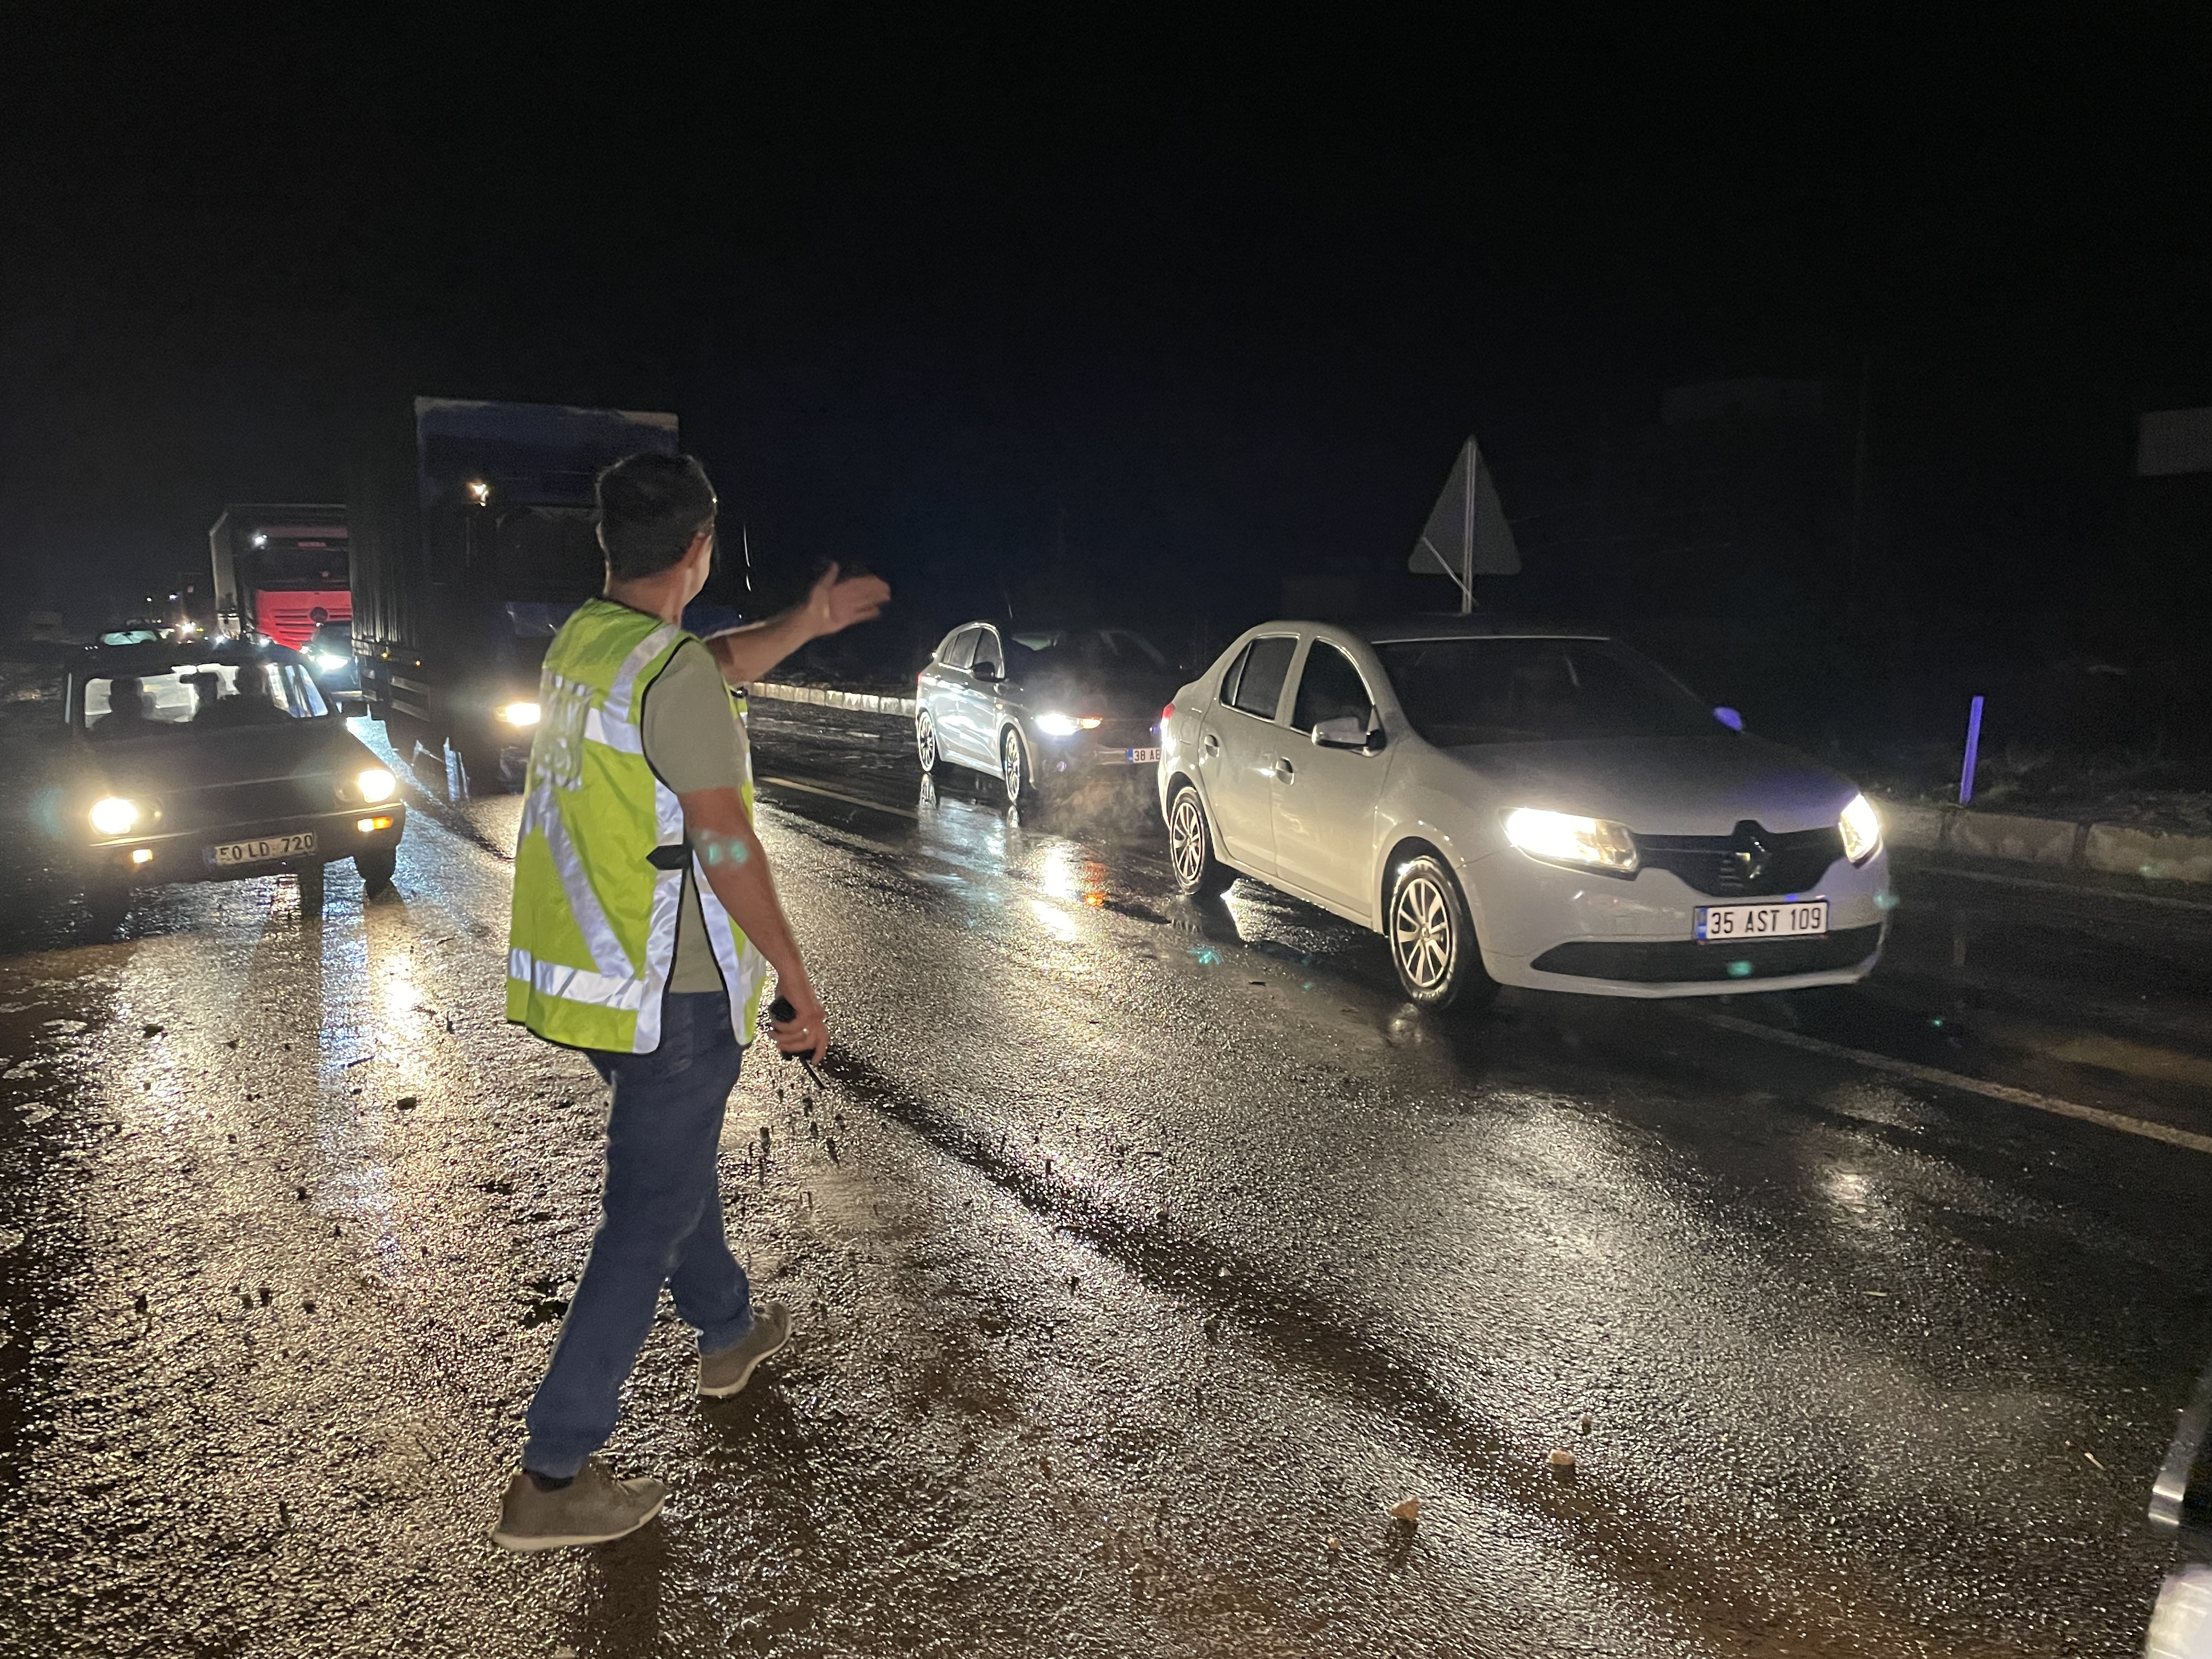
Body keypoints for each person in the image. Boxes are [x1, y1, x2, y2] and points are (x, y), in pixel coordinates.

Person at [494, 452, 888, 1551]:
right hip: (678, 996)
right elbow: (722, 838)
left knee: (670, 1177)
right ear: (702, 549)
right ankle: (555, 1475)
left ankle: (727, 1331)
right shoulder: (674, 680)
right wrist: (800, 984)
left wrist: (803, 624)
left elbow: (712, 660)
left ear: (609, 545)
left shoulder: (593, 644)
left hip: (605, 987)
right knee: (646, 1215)